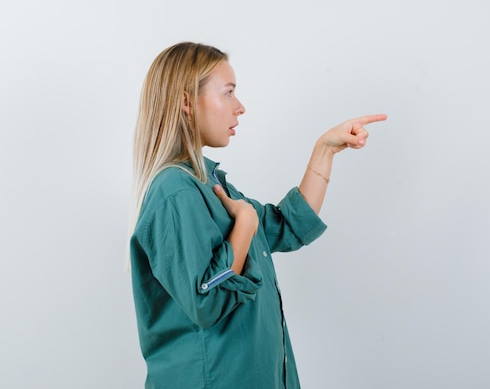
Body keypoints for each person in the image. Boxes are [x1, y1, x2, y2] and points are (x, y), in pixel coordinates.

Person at [129, 41, 387, 389]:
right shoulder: (174, 192)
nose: (241, 108)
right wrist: (245, 225)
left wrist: (324, 150)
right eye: (229, 93)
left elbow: (287, 226)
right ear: (187, 103)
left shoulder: (210, 185)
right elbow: (207, 298)